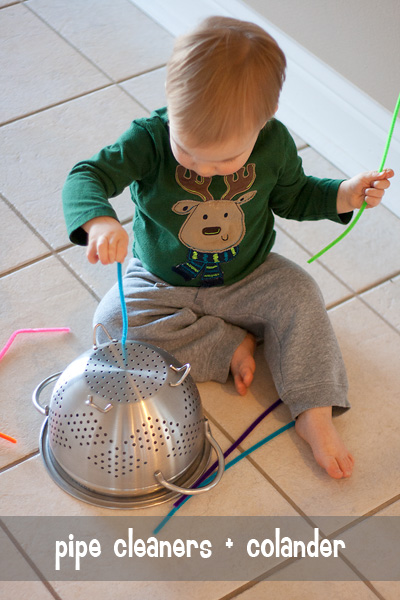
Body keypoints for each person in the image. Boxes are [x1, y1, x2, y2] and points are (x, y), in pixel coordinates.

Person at [62, 16, 394, 480]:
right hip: (159, 279)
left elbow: (295, 194)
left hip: (250, 276)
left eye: (226, 159)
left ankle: (313, 412)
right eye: (190, 151)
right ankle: (227, 343)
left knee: (301, 295)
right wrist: (98, 222)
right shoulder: (149, 138)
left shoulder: (274, 145)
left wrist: (343, 194)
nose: (206, 170)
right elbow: (86, 176)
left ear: (264, 123)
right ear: (172, 107)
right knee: (110, 323)